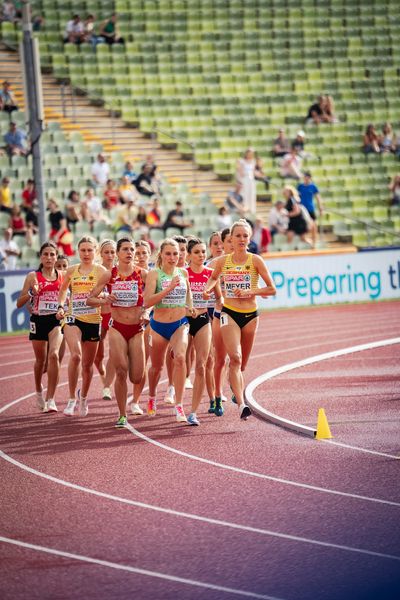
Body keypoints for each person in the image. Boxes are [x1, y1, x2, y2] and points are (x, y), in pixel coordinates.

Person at [203, 220, 277, 419]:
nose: (242, 239)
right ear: (231, 239)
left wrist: (251, 291)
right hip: (228, 313)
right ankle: (241, 404)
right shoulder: (222, 261)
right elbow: (212, 277)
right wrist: (208, 288)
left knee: (241, 364)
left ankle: (234, 381)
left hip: (251, 316)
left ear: (250, 238)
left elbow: (271, 289)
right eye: (238, 236)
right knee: (234, 358)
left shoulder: (255, 261)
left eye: (245, 236)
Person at [87, 237, 147, 428]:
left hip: (137, 328)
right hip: (117, 327)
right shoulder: (109, 275)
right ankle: (122, 415)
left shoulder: (143, 274)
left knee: (136, 376)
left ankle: (131, 358)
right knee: (121, 371)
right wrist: (105, 299)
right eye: (126, 249)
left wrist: (148, 311)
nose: (130, 253)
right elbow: (90, 299)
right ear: (118, 253)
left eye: (132, 249)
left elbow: (154, 298)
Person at [144, 238, 195, 422]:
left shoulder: (183, 273)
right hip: (158, 326)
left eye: (176, 253)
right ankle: (151, 396)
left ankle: (179, 406)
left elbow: (188, 294)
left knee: (180, 358)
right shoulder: (154, 275)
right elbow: (147, 301)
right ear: (161, 255)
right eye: (168, 254)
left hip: (180, 324)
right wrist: (169, 288)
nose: (173, 257)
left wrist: (190, 307)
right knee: (156, 368)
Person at [56, 236, 107, 417]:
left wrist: (103, 298)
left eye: (89, 250)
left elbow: (107, 293)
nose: (86, 254)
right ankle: (71, 399)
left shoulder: (101, 271)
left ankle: (83, 397)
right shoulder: (71, 270)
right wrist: (61, 306)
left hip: (93, 320)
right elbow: (63, 291)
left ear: (95, 252)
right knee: (76, 356)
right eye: (83, 250)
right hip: (73, 317)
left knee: (87, 365)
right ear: (78, 251)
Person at [16, 241, 64, 413]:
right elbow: (19, 303)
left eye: (52, 254)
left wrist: (62, 309)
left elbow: (68, 299)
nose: (49, 257)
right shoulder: (32, 276)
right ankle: (38, 391)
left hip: (55, 321)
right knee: (40, 361)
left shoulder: (62, 276)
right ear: (40, 257)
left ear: (56, 256)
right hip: (38, 321)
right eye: (46, 254)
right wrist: (31, 292)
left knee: (54, 355)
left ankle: (51, 399)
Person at [186, 238, 222, 426]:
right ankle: (176, 402)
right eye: (196, 252)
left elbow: (220, 299)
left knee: (201, 365)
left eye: (202, 252)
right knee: (181, 362)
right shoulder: (183, 274)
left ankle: (192, 412)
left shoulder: (211, 274)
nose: (201, 255)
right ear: (189, 255)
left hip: (202, 320)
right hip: (183, 321)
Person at [130, 240, 152, 415]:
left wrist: (146, 311)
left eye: (144, 253)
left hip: (148, 322)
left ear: (150, 255)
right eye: (137, 253)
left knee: (143, 362)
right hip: (125, 321)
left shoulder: (153, 275)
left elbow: (153, 299)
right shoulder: (124, 274)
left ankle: (136, 401)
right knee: (123, 363)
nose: (140, 256)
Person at [93, 239, 116, 401]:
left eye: (112, 252)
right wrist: (103, 296)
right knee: (97, 356)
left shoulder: (120, 270)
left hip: (115, 315)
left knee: (114, 352)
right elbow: (90, 293)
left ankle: (107, 386)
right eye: (106, 252)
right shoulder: (96, 271)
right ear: (100, 254)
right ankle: (103, 376)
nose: (109, 255)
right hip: (98, 315)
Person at [297, 172, 323, 247]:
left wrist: (320, 207)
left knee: (314, 226)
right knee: (304, 226)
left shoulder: (313, 187)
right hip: (302, 210)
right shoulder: (300, 186)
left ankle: (314, 242)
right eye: (305, 177)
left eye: (307, 177)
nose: (306, 179)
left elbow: (318, 197)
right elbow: (297, 196)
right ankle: (309, 241)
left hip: (310, 208)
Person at [236, 148, 257, 215]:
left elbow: (253, 172)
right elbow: (240, 172)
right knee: (245, 194)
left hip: (251, 180)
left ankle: (251, 209)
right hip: (245, 180)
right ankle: (244, 208)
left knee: (251, 194)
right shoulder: (241, 161)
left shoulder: (253, 161)